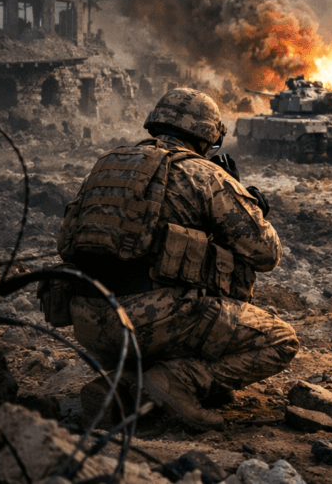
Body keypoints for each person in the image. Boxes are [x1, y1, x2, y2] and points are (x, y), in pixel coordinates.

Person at [57, 88, 299, 432]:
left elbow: (65, 243)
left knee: (175, 299)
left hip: (88, 322)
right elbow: (266, 253)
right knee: (281, 340)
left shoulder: (105, 165)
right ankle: (180, 381)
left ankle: (122, 386)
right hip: (151, 321)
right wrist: (249, 203)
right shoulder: (207, 175)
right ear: (207, 137)